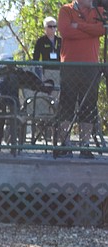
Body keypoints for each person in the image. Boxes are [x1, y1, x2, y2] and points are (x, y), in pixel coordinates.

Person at [56, 0, 105, 159]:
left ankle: (85, 145)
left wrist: (78, 25)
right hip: (70, 66)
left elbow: (102, 30)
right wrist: (89, 30)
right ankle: (65, 144)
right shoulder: (66, 10)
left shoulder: (98, 11)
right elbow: (66, 31)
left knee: (89, 106)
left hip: (90, 68)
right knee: (67, 105)